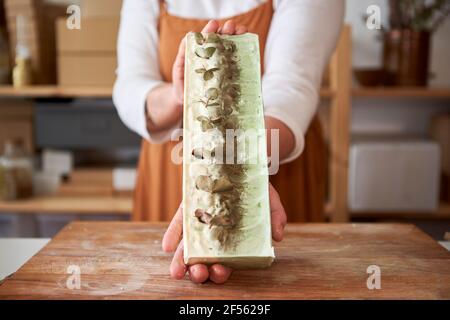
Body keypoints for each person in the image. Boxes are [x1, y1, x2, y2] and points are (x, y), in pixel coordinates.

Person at [113, 0, 345, 283]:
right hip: (170, 172)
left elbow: (291, 90)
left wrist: (245, 172)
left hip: (273, 155)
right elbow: (130, 87)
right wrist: (180, 96)